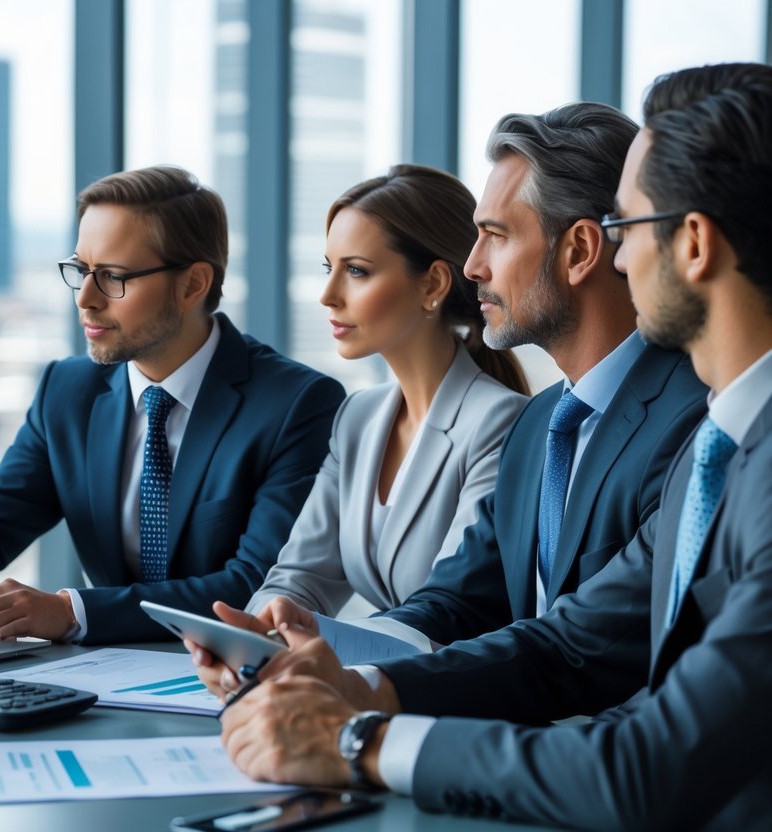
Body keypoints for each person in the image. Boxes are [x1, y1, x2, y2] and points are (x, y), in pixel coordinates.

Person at [220, 62, 772, 830]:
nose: (618, 258)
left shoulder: (724, 448)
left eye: (627, 228)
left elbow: (650, 762)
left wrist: (360, 740)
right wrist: (367, 689)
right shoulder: (718, 442)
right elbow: (567, 645)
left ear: (693, 245)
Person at [192, 101, 707, 694]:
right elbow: (457, 601)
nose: (472, 266)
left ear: (581, 251)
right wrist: (317, 646)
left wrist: (370, 692)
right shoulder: (542, 424)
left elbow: (572, 643)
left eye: (494, 236)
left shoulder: (691, 420)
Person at [0, 165, 345, 644]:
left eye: (113, 277)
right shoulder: (69, 391)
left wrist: (73, 612)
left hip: (239, 687)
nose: (86, 297)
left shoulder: (298, 405)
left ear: (194, 283)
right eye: (80, 270)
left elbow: (256, 587)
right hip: (104, 682)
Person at [241, 165, 528, 621]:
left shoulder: (502, 423)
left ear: (433, 284)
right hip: (371, 676)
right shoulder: (359, 416)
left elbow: (451, 609)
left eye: (356, 271)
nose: (328, 295)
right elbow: (300, 576)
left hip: (448, 682)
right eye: (328, 268)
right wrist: (258, 633)